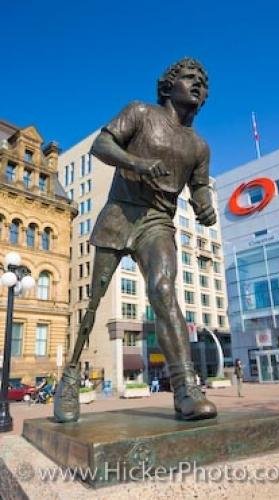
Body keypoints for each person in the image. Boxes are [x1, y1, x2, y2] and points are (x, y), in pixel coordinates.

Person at [54, 57, 217, 423]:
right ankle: (68, 380)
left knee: (162, 289)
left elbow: (200, 186)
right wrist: (138, 164)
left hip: (157, 222)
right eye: (190, 78)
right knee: (93, 301)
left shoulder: (199, 146)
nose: (198, 86)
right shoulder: (140, 112)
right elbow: (102, 145)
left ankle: (186, 389)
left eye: (203, 84)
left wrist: (205, 206)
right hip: (120, 212)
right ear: (167, 86)